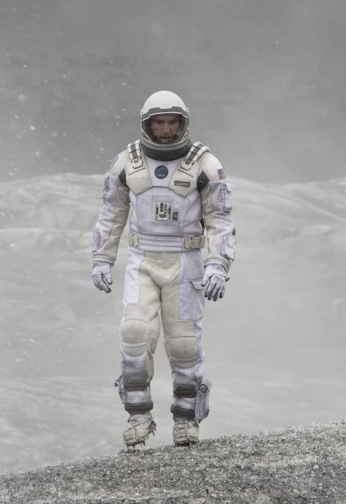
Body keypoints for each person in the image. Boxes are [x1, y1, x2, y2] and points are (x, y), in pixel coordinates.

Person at [91, 90, 235, 447]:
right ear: (147, 124)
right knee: (135, 332)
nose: (166, 130)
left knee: (184, 342)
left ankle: (187, 421)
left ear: (183, 123)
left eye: (172, 122)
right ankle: (138, 417)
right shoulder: (126, 163)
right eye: (159, 123)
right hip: (143, 260)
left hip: (185, 263)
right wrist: (101, 257)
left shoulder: (206, 165)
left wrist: (217, 264)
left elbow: (220, 219)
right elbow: (112, 214)